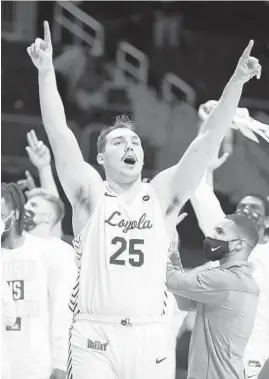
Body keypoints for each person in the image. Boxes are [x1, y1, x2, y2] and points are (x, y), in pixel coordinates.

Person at [27, 20, 261, 379]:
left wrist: (236, 82)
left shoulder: (162, 194)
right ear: (102, 158)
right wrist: (46, 73)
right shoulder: (89, 192)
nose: (129, 145)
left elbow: (206, 141)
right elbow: (59, 133)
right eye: (118, 142)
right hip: (94, 334)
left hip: (151, 333)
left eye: (133, 141)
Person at [190, 116, 269, 379]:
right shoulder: (224, 238)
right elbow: (197, 186)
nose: (245, 210)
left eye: (254, 208)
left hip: (258, 355)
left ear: (267, 221)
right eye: (241, 207)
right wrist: (208, 123)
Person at [167, 213, 260, 379]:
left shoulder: (225, 280)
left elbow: (172, 281)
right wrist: (173, 251)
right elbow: (185, 302)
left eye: (220, 232)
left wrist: (164, 239)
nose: (211, 236)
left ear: (239, 244)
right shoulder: (241, 280)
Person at [1, 182, 76, 379]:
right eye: (26, 205)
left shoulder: (57, 251)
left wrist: (60, 361)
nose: (26, 208)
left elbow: (61, 310)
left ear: (49, 216)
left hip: (35, 360)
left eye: (34, 206)